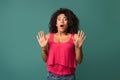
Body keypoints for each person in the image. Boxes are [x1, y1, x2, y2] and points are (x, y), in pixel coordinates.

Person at [36, 8, 86, 80]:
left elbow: (79, 61)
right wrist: (43, 49)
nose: (62, 21)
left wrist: (79, 48)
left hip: (69, 77)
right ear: (56, 23)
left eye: (65, 19)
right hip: (51, 76)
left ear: (69, 23)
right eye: (59, 19)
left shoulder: (75, 37)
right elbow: (45, 60)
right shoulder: (48, 37)